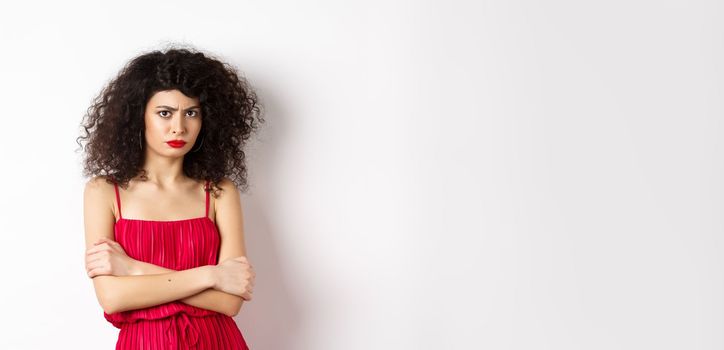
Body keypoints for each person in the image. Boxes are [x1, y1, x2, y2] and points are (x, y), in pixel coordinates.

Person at [77, 46, 264, 349]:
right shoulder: (104, 192)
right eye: (165, 113)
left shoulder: (219, 192)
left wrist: (134, 269)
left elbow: (230, 301)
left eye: (191, 113)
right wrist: (212, 276)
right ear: (140, 116)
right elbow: (112, 298)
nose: (179, 127)